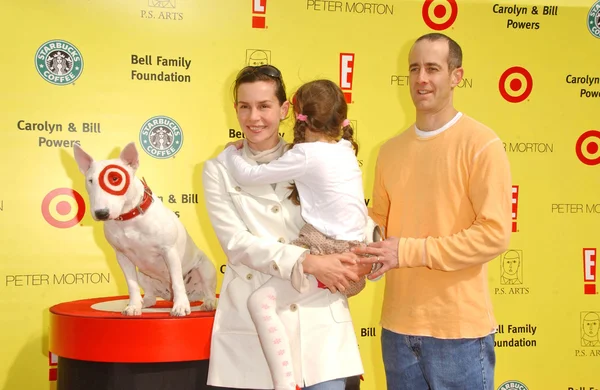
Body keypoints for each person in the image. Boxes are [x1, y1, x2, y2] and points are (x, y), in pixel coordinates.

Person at [353, 33, 513, 389]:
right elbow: (378, 222)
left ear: (456, 76)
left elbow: (494, 234)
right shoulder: (389, 151)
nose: (421, 78)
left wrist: (407, 250)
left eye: (432, 68)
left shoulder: (482, 144)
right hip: (397, 330)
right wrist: (360, 250)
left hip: (458, 333)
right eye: (414, 69)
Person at [202, 65, 373, 390]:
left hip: (319, 325)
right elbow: (236, 243)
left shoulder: (311, 154)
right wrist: (306, 261)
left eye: (264, 106)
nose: (254, 117)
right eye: (244, 106)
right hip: (253, 331)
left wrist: (372, 250)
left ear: (284, 110)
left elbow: (349, 211)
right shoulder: (219, 168)